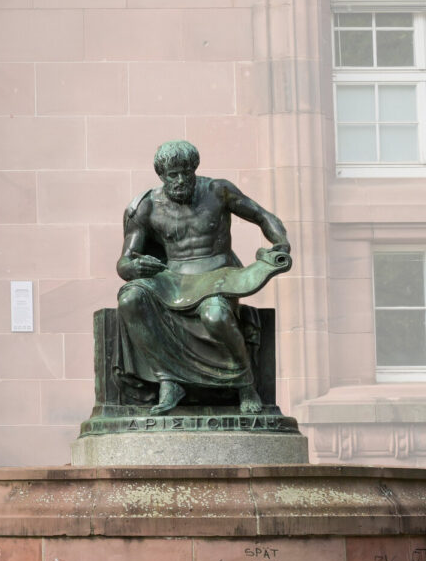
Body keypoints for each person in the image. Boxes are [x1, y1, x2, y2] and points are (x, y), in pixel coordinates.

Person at [114, 139, 292, 416]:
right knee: (131, 297)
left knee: (215, 316)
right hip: (173, 278)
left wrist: (280, 242)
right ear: (161, 175)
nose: (181, 180)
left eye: (187, 172)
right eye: (173, 174)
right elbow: (125, 260)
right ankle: (169, 379)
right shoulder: (145, 206)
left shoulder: (217, 191)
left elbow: (262, 215)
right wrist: (133, 268)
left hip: (218, 272)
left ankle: (245, 383)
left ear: (195, 169)